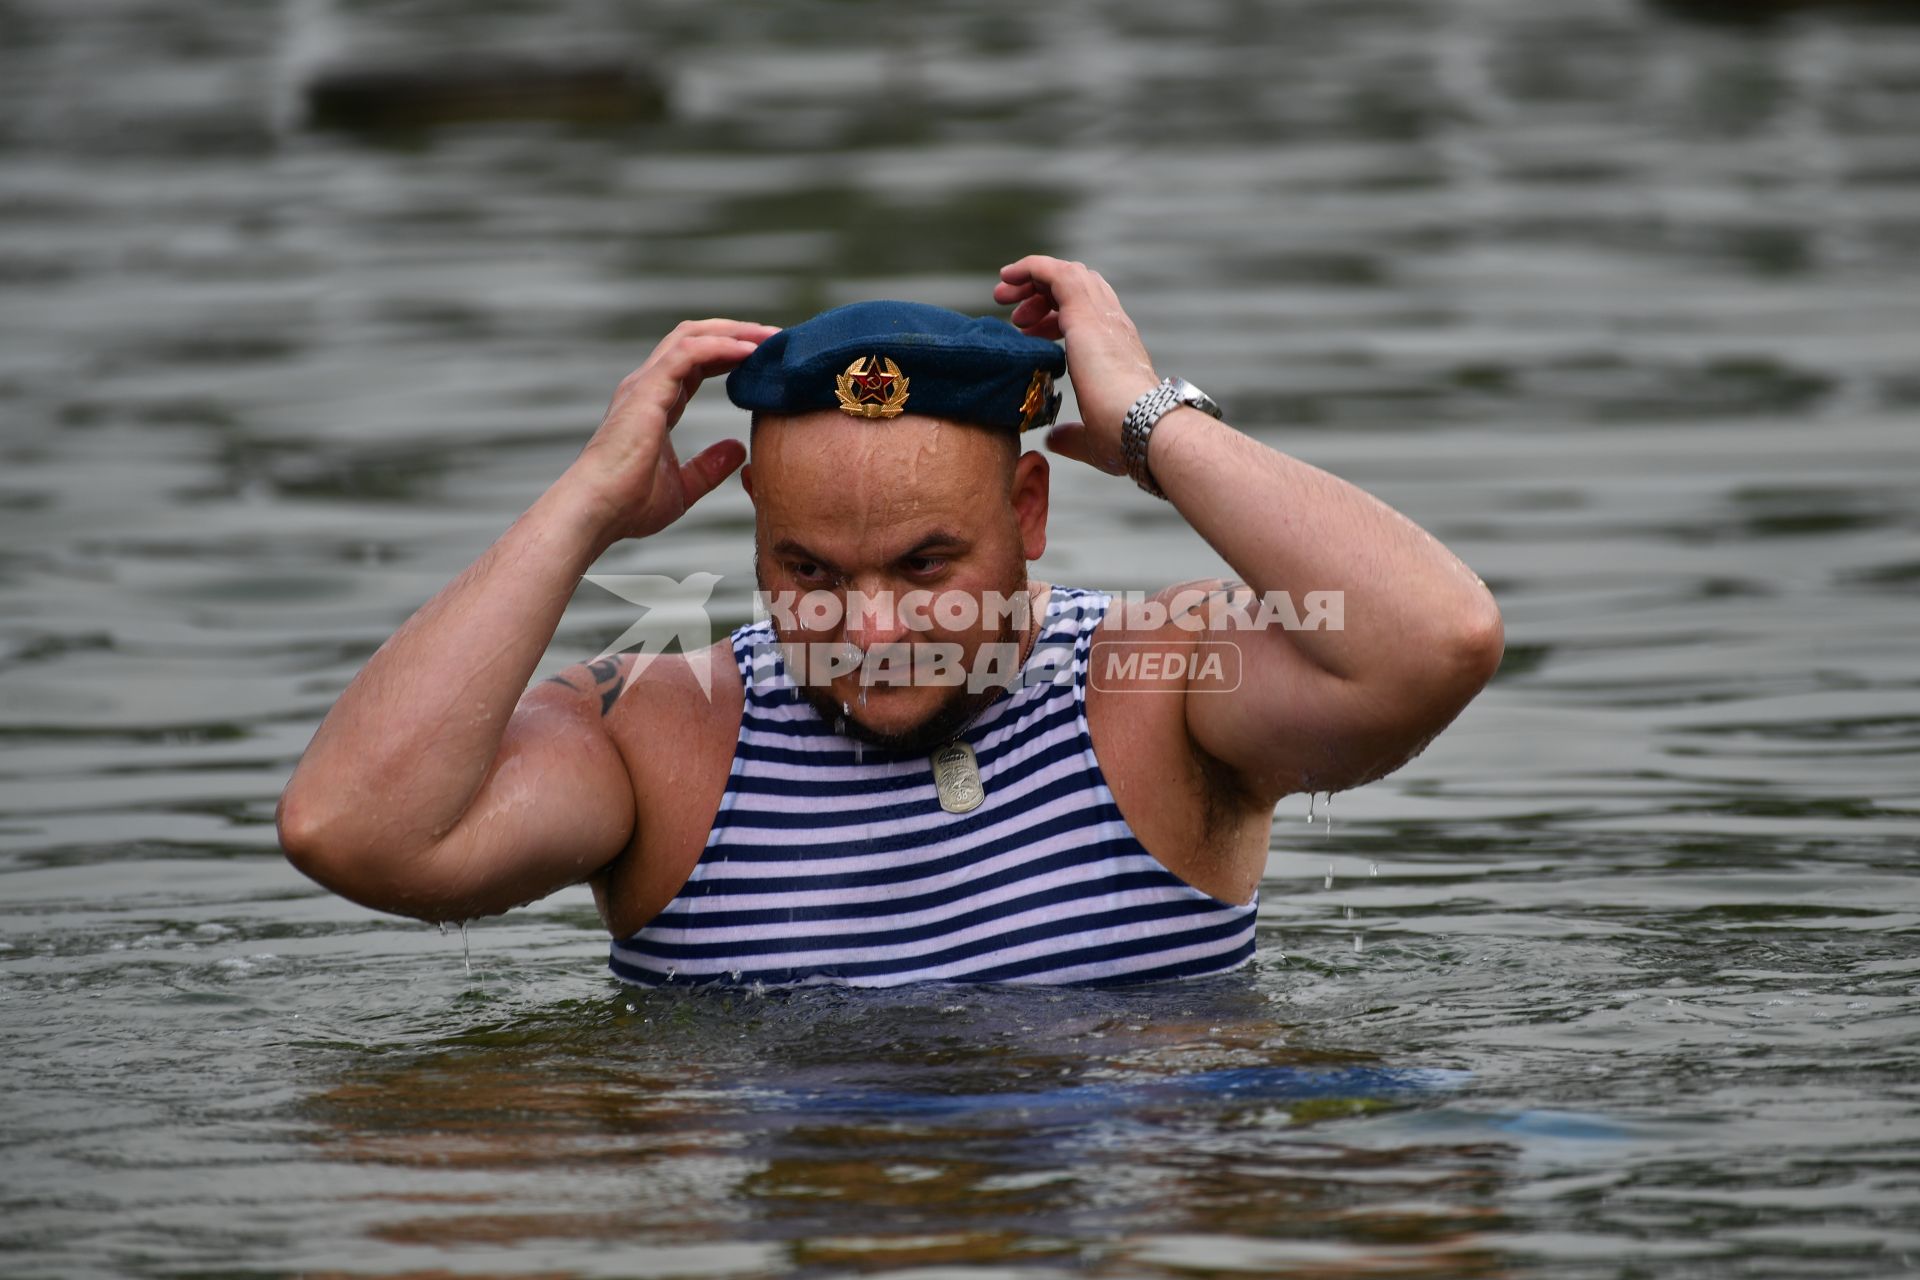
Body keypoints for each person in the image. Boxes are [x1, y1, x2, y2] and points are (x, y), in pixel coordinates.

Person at [276, 257, 1504, 988]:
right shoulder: (658, 723)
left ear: (1027, 509)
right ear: (752, 528)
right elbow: (354, 828)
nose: (870, 628)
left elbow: (1436, 639)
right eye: (807, 569)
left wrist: (1152, 424)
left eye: (927, 565)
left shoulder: (1158, 679)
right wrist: (580, 511)